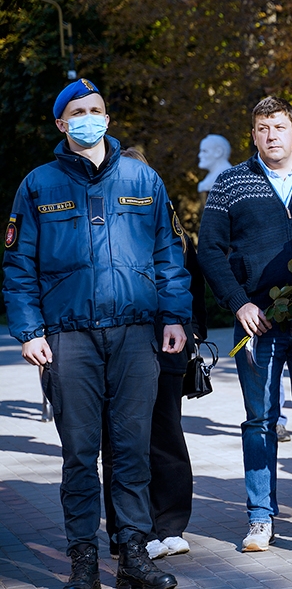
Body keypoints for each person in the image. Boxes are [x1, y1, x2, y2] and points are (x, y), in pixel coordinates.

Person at [2, 79, 191, 589]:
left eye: (98, 109)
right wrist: (28, 331)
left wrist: (174, 316)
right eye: (79, 111)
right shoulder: (38, 184)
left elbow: (168, 253)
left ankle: (132, 554)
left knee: (132, 450)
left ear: (107, 116)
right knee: (80, 454)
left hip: (135, 335)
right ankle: (83, 563)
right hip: (68, 339)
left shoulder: (143, 178)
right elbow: (18, 265)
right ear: (62, 124)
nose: (91, 117)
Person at [197, 96, 292, 552]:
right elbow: (209, 251)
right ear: (253, 134)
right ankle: (261, 517)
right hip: (256, 322)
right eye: (262, 128)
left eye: (279, 126)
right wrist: (238, 304)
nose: (271, 135)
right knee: (259, 420)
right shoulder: (231, 182)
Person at [102, 149, 208, 561]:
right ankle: (127, 530)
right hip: (116, 347)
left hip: (166, 350)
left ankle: (170, 525)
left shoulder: (173, 230)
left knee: (165, 437)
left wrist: (192, 328)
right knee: (120, 443)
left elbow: (190, 280)